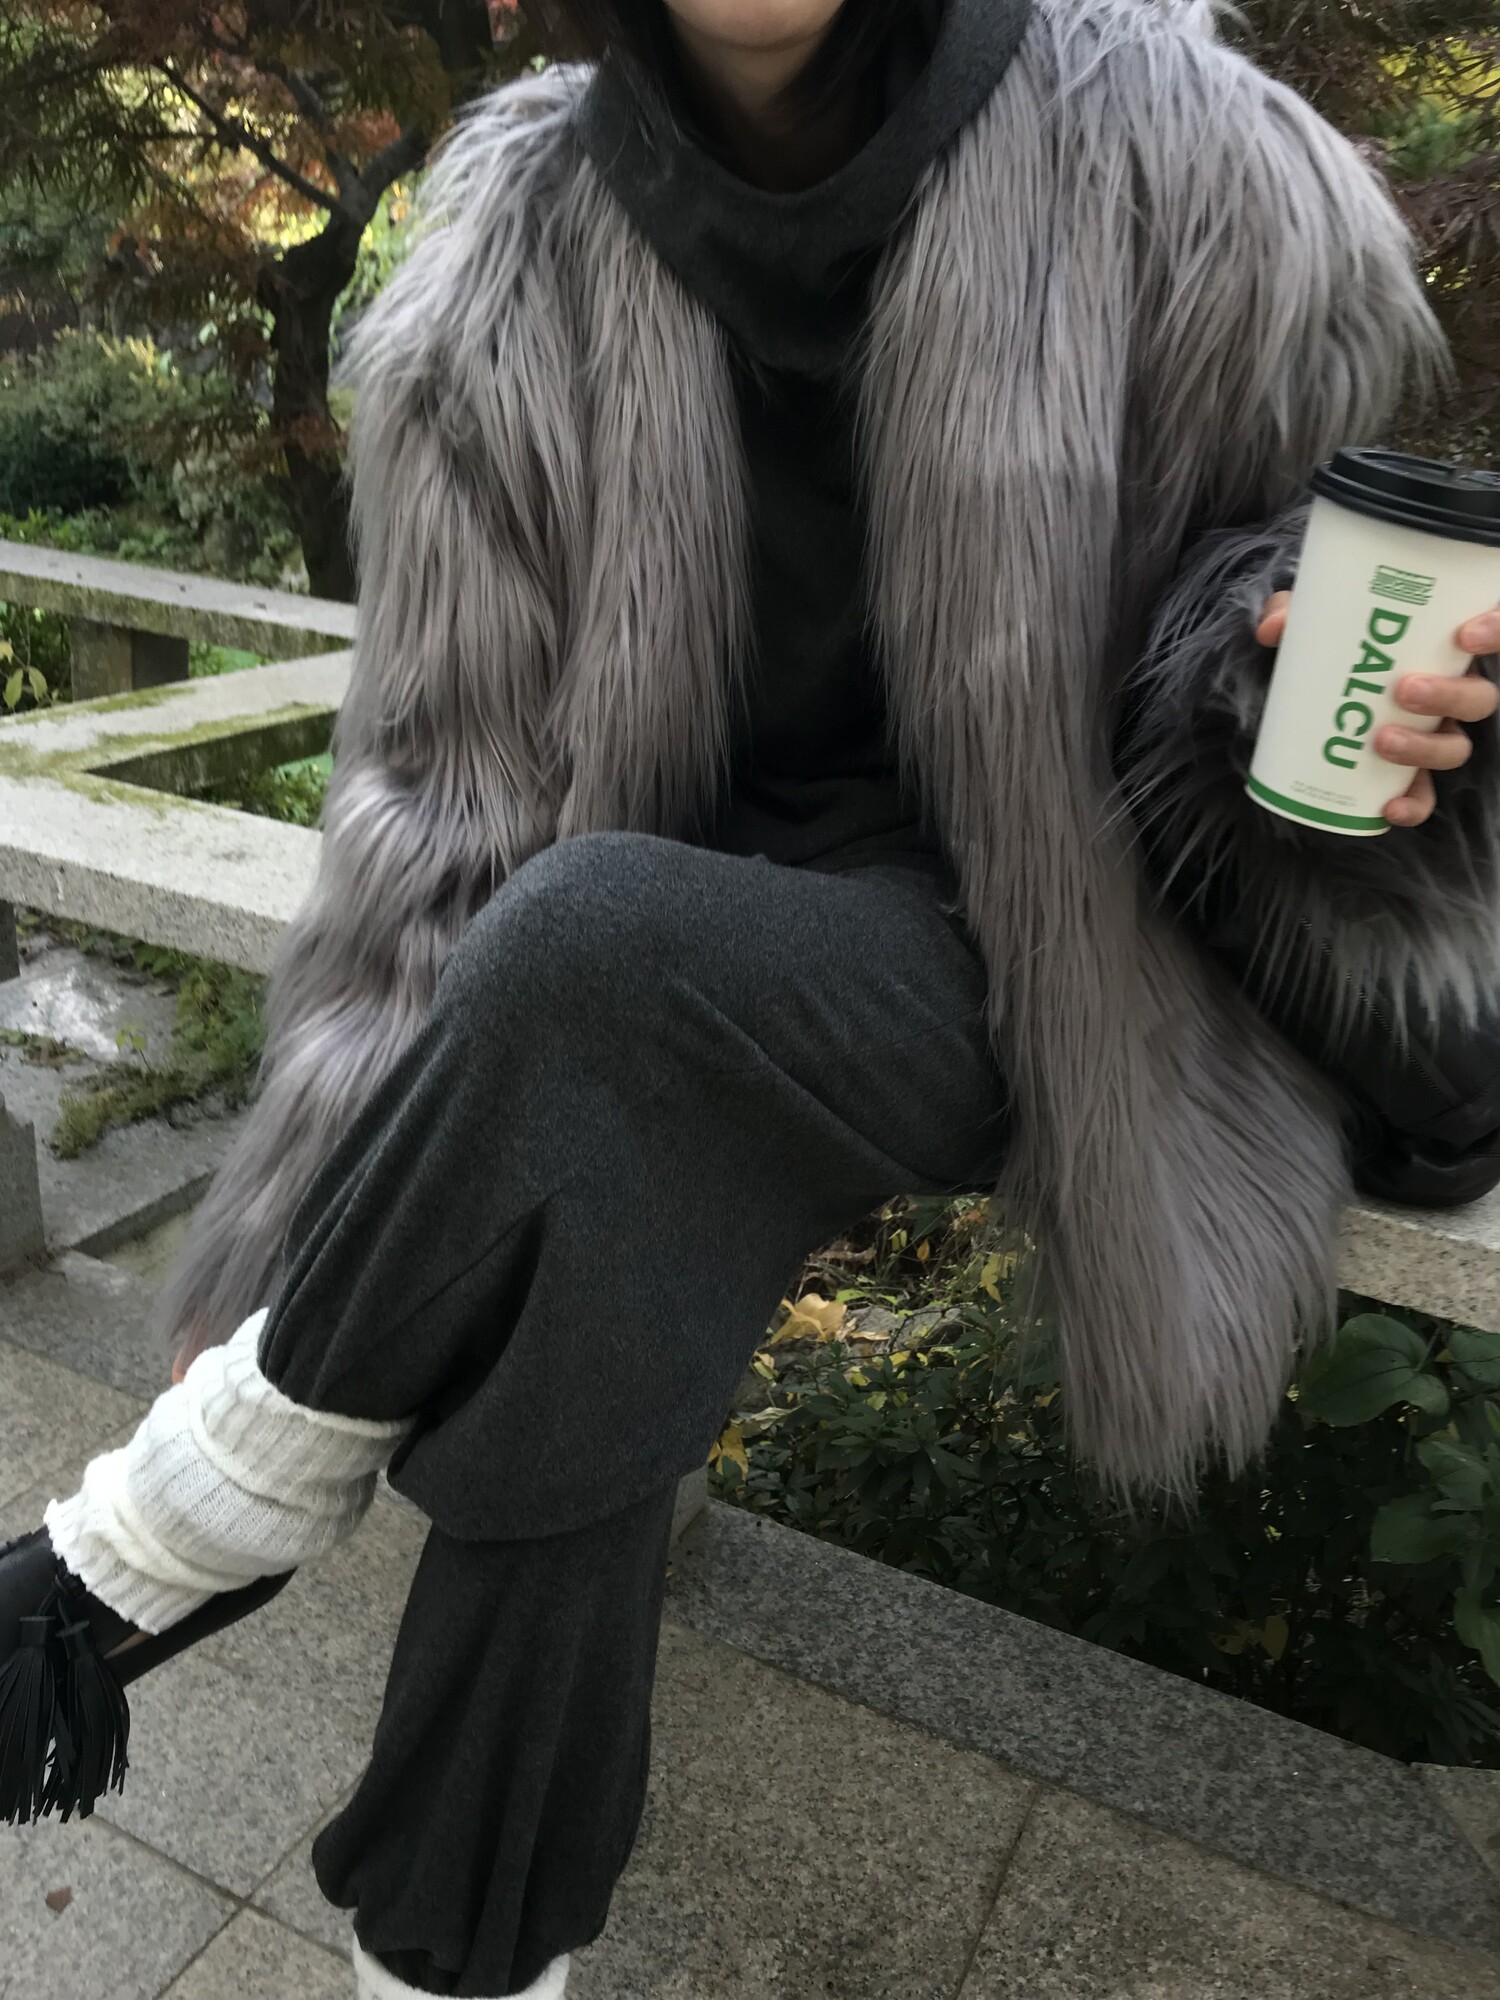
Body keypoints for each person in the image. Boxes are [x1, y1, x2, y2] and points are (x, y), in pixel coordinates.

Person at [4, 0, 1500, 1992]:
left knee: (597, 954)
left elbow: (1297, 580)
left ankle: (178, 1523)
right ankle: (447, 1964)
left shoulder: (1194, 161)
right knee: (596, 1255)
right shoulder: (511, 251)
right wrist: (332, 1205)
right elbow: (446, 798)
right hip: (659, 986)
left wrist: (1298, 673)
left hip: (1054, 964)